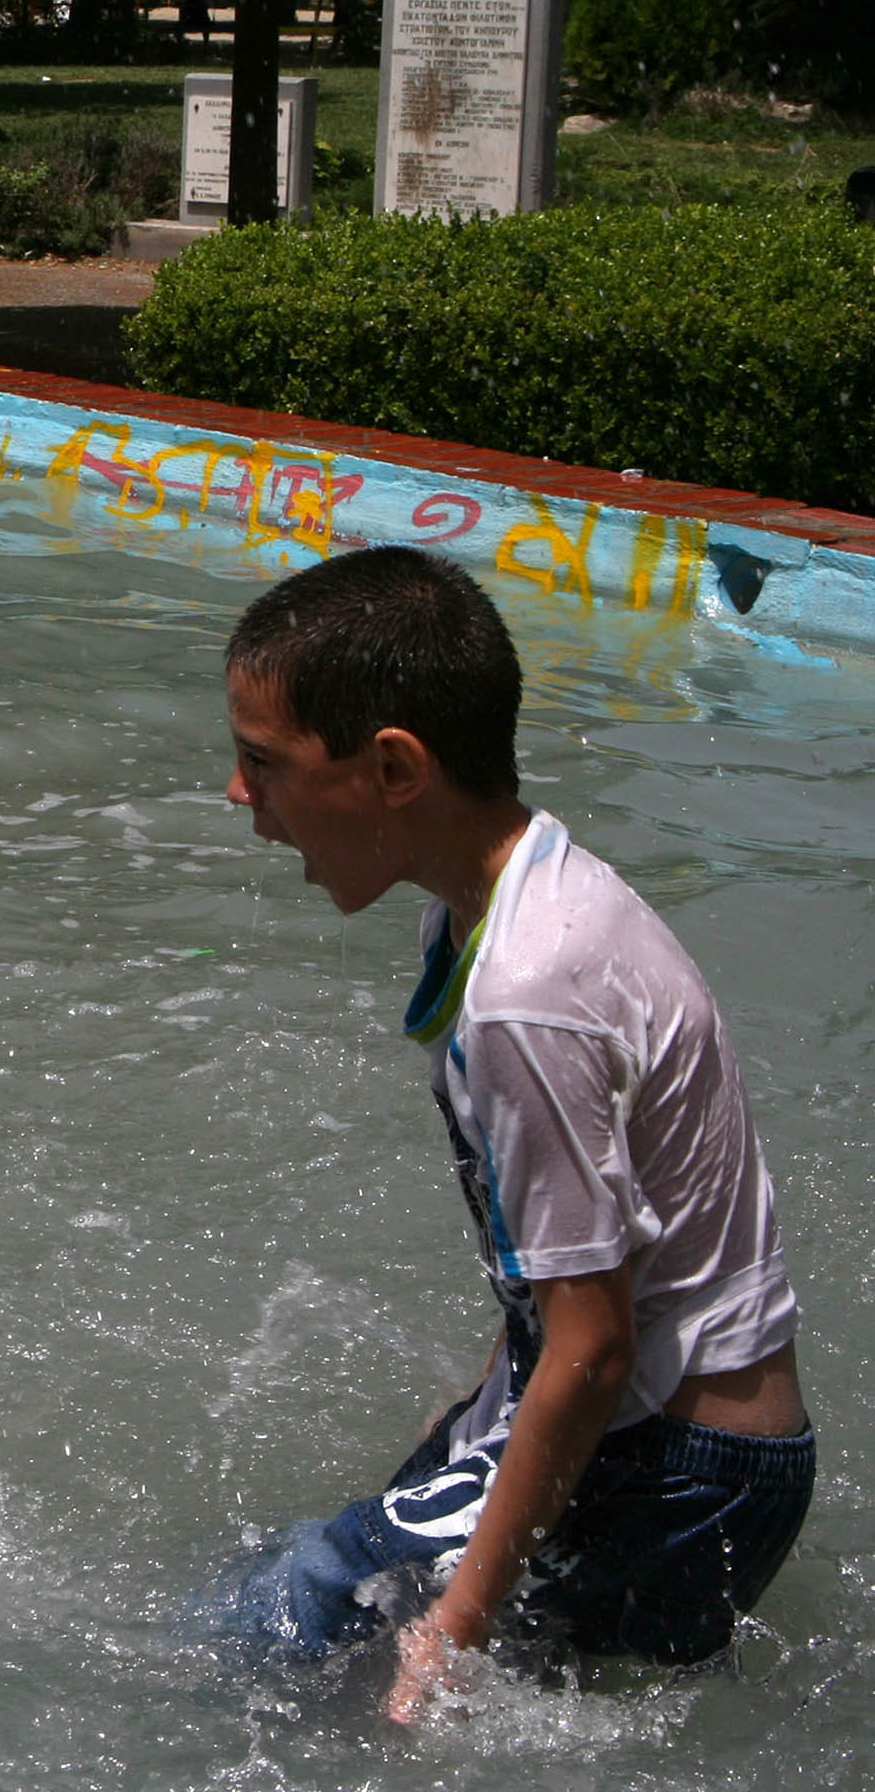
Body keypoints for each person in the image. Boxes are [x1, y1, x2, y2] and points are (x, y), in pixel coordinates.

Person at [206, 546, 811, 1718]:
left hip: (679, 1478)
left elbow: (594, 1347)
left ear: (392, 768)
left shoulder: (528, 989)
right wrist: (477, 1415)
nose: (240, 795)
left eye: (264, 761)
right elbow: (583, 1265)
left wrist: (453, 1637)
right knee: (284, 1625)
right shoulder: (510, 897)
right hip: (680, 1452)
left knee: (283, 1637)